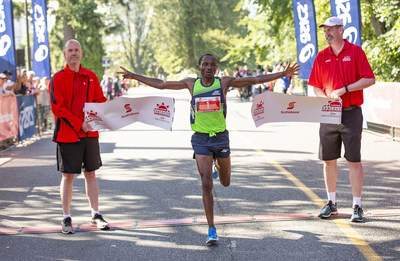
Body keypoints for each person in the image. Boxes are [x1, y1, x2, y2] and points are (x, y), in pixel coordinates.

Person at [118, 54, 300, 245]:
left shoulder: (224, 83)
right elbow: (162, 84)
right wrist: (134, 76)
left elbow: (254, 79)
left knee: (226, 182)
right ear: (199, 67)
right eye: (205, 64)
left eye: (212, 64)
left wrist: (282, 74)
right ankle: (211, 229)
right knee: (206, 183)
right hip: (201, 139)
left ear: (216, 68)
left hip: (220, 138)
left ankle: (218, 167)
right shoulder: (191, 84)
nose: (209, 67)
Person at [308, 17, 375, 222]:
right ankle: (331, 203)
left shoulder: (355, 52)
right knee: (329, 160)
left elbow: (369, 79)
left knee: (354, 160)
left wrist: (345, 89)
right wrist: (325, 99)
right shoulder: (321, 56)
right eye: (325, 30)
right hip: (328, 113)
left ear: (340, 30)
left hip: (351, 112)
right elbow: (316, 87)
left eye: (330, 30)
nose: (327, 33)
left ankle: (357, 206)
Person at [49, 39, 109, 234]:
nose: (73, 53)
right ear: (65, 54)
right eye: (70, 50)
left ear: (81, 53)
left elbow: (100, 101)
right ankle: (66, 217)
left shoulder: (91, 76)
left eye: (76, 50)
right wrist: (79, 124)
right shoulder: (57, 78)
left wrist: (114, 110)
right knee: (68, 176)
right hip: (68, 135)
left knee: (91, 174)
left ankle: (95, 214)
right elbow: (58, 108)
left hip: (90, 133)